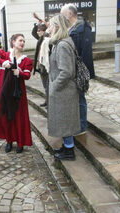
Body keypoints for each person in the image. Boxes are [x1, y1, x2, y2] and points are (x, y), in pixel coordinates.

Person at [0, 34, 33, 153]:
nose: (22, 43)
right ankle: (9, 141)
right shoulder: (4, 54)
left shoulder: (26, 60)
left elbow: (27, 76)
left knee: (19, 117)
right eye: (20, 40)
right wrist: (3, 62)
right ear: (13, 42)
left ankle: (20, 142)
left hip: (18, 94)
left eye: (24, 41)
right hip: (4, 92)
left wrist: (19, 72)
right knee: (6, 115)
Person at [48, 14, 80, 161]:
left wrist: (54, 86)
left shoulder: (62, 45)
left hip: (64, 91)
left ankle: (69, 150)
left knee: (65, 121)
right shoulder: (60, 43)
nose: (49, 28)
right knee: (64, 121)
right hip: (64, 91)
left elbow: (66, 71)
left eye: (51, 25)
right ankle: (67, 147)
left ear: (57, 27)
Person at [61, 4, 95, 135]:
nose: (62, 17)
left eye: (63, 14)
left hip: (78, 71)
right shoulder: (70, 29)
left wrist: (82, 73)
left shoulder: (83, 28)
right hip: (70, 70)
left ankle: (82, 127)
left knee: (80, 99)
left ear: (70, 14)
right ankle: (76, 124)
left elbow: (86, 53)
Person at [32, 13, 49, 107]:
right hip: (40, 65)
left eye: (40, 30)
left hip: (45, 65)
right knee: (45, 85)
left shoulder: (46, 38)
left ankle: (49, 102)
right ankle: (47, 101)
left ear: (44, 31)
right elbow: (33, 33)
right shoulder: (40, 38)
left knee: (48, 85)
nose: (38, 32)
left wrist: (42, 21)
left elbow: (49, 29)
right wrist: (37, 24)